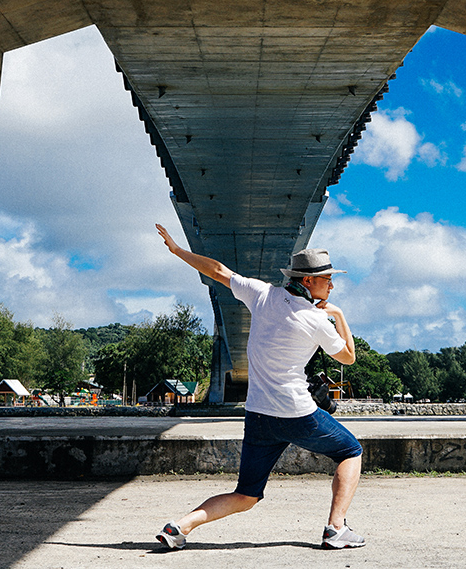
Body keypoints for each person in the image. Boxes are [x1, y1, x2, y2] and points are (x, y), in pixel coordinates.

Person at [153, 223, 366, 550]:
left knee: (247, 494)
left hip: (258, 416)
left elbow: (219, 271)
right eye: (327, 279)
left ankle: (180, 527)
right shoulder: (315, 320)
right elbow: (348, 358)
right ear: (308, 281)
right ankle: (336, 528)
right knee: (350, 451)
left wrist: (179, 250)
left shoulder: (261, 293)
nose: (332, 285)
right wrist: (338, 316)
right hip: (297, 413)